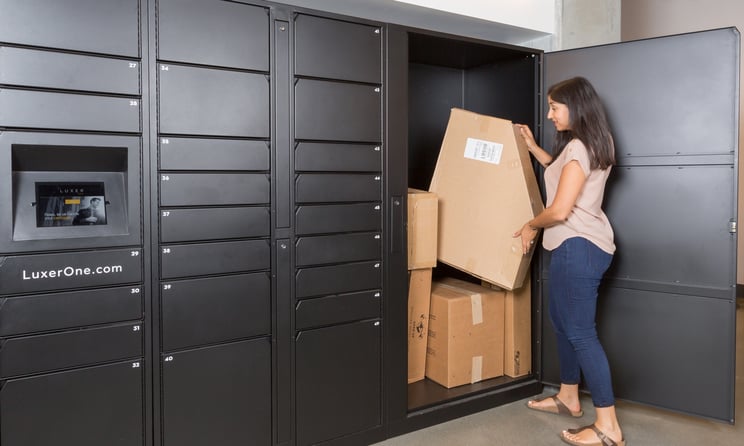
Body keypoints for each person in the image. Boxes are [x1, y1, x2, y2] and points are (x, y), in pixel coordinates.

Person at [513, 77, 623, 446]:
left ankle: (609, 428)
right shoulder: (593, 142)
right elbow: (563, 175)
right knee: (562, 323)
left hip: (578, 246)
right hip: (579, 245)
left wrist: (530, 224)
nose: (550, 114)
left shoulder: (579, 147)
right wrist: (533, 148)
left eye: (555, 107)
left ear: (575, 106)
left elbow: (559, 209)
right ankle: (569, 397)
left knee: (580, 332)